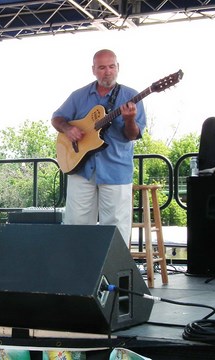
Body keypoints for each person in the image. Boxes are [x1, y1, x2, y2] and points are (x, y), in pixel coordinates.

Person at [51, 49, 146, 246]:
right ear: (93, 70)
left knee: (115, 230)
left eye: (112, 66)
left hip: (115, 170)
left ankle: (113, 275)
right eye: (102, 67)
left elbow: (132, 135)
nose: (107, 71)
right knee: (76, 227)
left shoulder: (131, 96)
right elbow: (57, 118)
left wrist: (129, 119)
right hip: (81, 170)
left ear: (118, 68)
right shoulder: (79, 96)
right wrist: (68, 129)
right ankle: (77, 273)